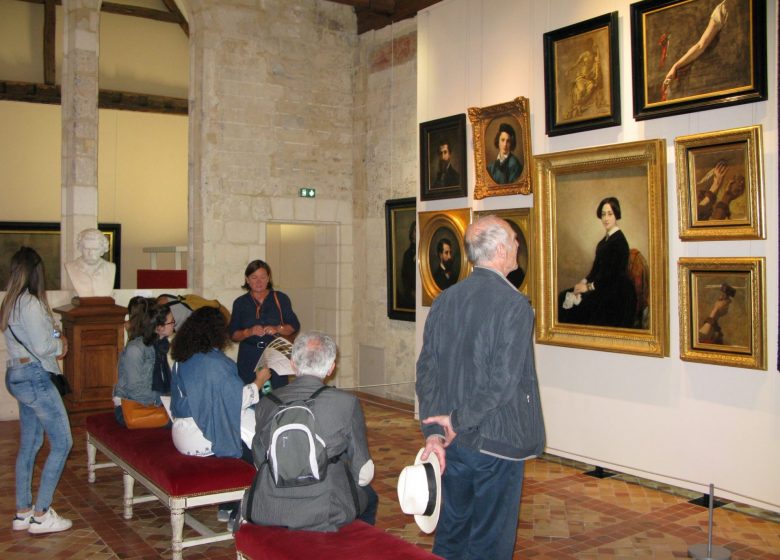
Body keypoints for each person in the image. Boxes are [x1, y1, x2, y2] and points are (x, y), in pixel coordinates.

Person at [416, 216, 545, 559]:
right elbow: (502, 384)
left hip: (450, 441)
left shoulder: (445, 299)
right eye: (515, 240)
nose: (518, 245)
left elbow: (426, 370)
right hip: (495, 440)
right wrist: (457, 421)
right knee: (490, 541)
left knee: (452, 533)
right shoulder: (514, 304)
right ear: (501, 249)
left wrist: (434, 428)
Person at [246, 331, 378, 531]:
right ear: (331, 368)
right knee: (370, 497)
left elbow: (258, 461)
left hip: (268, 507)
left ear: (292, 364)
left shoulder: (267, 403)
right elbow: (363, 473)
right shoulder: (346, 403)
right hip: (325, 510)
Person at [1, 247, 74, 534]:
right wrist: (61, 344)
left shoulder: (10, 302)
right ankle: (42, 514)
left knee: (30, 445)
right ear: (36, 272)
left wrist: (53, 334)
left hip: (18, 374)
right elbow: (45, 347)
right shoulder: (30, 303)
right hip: (34, 375)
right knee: (63, 442)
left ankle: (22, 511)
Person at [170, 307, 270, 460]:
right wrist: (259, 382)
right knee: (261, 436)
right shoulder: (214, 363)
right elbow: (233, 401)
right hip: (202, 436)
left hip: (181, 432)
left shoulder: (183, 357)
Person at [558, 197, 637, 328]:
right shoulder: (603, 242)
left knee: (582, 308)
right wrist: (583, 282)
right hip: (601, 286)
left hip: (616, 292)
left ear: (616, 215)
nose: (606, 218)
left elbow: (612, 277)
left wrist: (588, 287)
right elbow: (595, 270)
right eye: (603, 214)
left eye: (610, 214)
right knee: (563, 296)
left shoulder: (619, 242)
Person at [229, 260, 300, 385]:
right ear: (247, 279)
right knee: (250, 394)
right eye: (254, 277)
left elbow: (294, 326)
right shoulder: (240, 303)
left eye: (263, 277)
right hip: (249, 357)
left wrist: (278, 329)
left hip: (276, 355)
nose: (259, 281)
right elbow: (233, 335)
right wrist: (248, 332)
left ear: (268, 278)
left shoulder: (281, 298)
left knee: (277, 395)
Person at [112, 302, 175, 426]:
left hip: (153, 403)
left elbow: (165, 382)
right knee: (182, 422)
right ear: (159, 327)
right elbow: (135, 391)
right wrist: (164, 399)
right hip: (130, 408)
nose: (174, 324)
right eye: (171, 321)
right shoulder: (135, 349)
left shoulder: (161, 346)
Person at [661, 0, 728, 101]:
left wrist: (675, 66)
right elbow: (701, 45)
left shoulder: (724, 8)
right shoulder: (723, 8)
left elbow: (701, 46)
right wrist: (676, 66)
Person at [64, 228, 116, 297]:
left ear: (102, 250)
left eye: (95, 249)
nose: (91, 253)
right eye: (87, 248)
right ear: (80, 248)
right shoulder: (70, 267)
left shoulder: (110, 267)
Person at [398, 220, 416, 309]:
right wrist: (411, 292)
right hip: (410, 297)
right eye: (415, 231)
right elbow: (404, 276)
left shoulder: (424, 252)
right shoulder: (407, 254)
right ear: (412, 233)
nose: (417, 233)